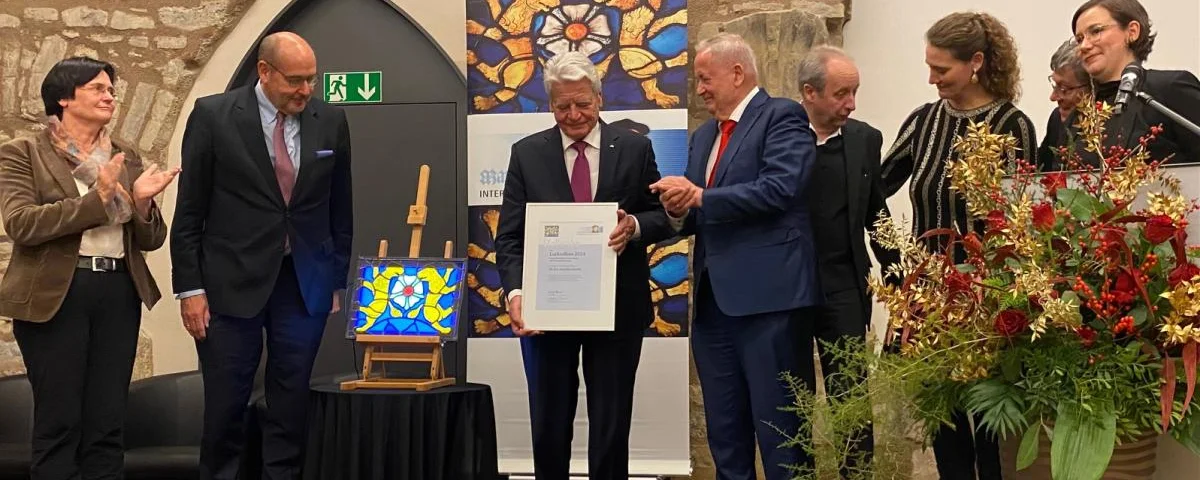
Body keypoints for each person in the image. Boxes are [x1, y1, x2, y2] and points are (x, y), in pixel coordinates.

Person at [170, 32, 353, 480]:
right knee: (227, 404)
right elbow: (190, 210)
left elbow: (340, 209)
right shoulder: (214, 116)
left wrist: (334, 279)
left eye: (312, 79)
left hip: (302, 283)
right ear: (264, 71)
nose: (306, 90)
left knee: (290, 405)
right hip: (228, 287)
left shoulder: (330, 120)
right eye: (295, 80)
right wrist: (189, 288)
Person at [493, 50, 675, 480]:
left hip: (617, 309)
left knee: (611, 423)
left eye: (582, 103)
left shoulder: (634, 147)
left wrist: (632, 225)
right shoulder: (526, 153)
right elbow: (510, 236)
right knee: (549, 421)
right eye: (562, 106)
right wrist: (517, 294)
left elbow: (661, 217)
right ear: (550, 104)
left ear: (599, 98)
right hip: (546, 310)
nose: (573, 114)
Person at [651, 32, 820, 480]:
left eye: (706, 79)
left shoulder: (782, 116)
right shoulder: (705, 134)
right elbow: (695, 208)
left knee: (781, 431)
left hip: (770, 304)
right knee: (725, 431)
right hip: (713, 306)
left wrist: (701, 197)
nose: (700, 88)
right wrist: (675, 209)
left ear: (737, 73)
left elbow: (780, 189)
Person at [0, 57, 178, 479]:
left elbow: (150, 240)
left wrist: (142, 203)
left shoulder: (125, 155)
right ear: (63, 97)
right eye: (98, 88)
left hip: (118, 291)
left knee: (107, 423)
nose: (110, 96)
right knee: (60, 422)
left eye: (112, 90)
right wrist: (96, 201)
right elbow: (21, 223)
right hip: (56, 295)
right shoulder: (24, 153)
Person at [880, 12, 1037, 480]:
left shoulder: (1014, 125)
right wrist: (896, 267)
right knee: (942, 424)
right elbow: (872, 190)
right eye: (929, 67)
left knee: (989, 431)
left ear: (975, 62)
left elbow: (1022, 218)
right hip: (927, 297)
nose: (932, 80)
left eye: (941, 70)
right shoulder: (924, 121)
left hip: (987, 298)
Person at [796, 45, 901, 475]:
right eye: (841, 94)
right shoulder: (778, 138)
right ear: (809, 93)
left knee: (852, 398)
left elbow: (877, 211)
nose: (851, 104)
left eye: (854, 92)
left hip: (843, 286)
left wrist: (896, 276)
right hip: (788, 287)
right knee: (792, 395)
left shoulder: (864, 139)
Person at [1072, 0, 1200, 164]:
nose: (1084, 45)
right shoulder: (1077, 112)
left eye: (1096, 31)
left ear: (1132, 31)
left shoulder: (1170, 90)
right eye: (1079, 39)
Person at [1039, 38, 1095, 170]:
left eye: (1064, 89)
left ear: (1092, 86)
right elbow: (1042, 171)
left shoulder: (1114, 124)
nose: (1053, 97)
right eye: (1055, 85)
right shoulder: (1057, 119)